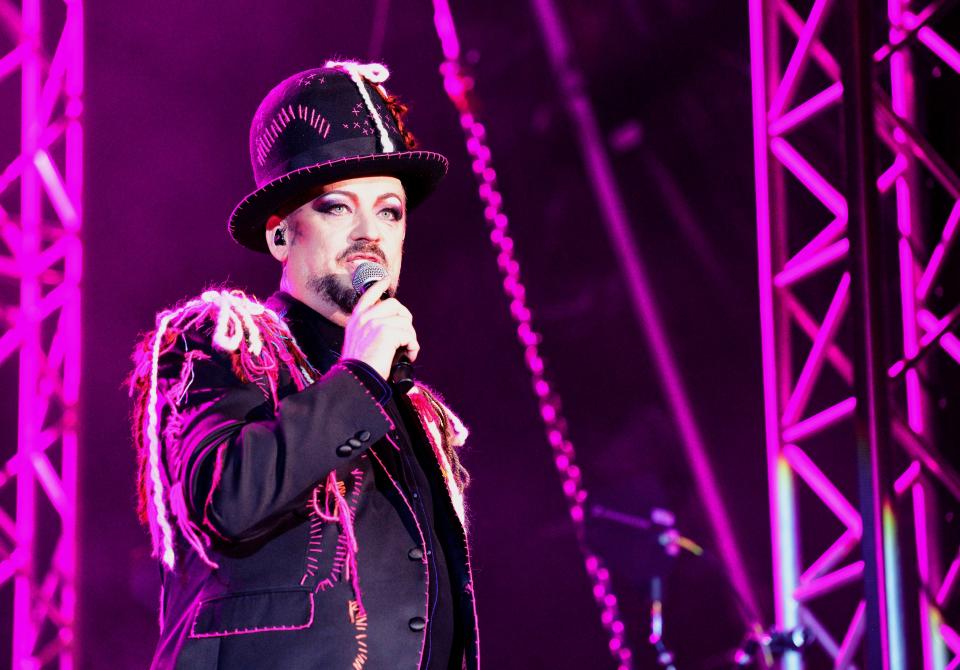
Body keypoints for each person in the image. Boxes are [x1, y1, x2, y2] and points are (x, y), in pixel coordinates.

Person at [128, 60, 479, 670]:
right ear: (281, 237)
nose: (371, 233)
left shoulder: (412, 408)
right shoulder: (223, 341)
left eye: (390, 212)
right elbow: (227, 498)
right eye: (338, 208)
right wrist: (361, 378)